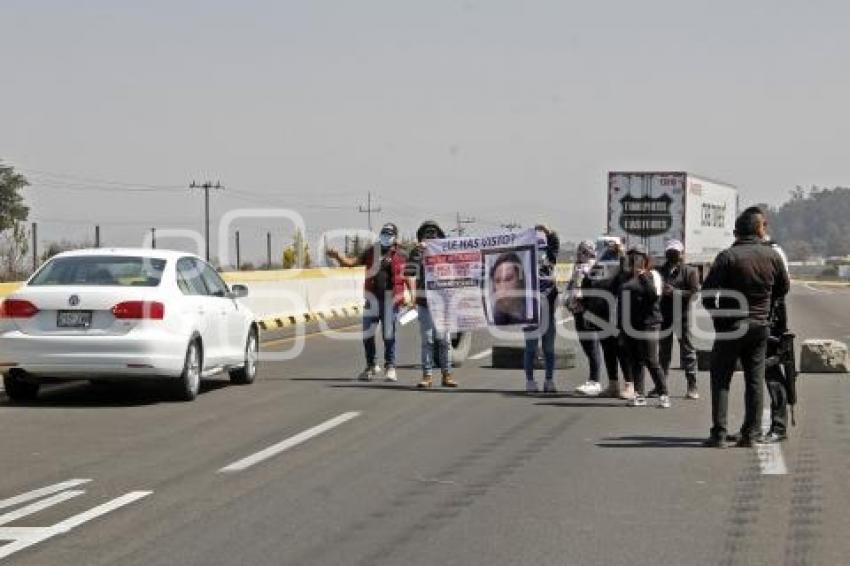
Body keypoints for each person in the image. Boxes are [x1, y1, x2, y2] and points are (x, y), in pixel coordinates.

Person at [701, 207, 790, 448]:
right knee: (755, 379)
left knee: (721, 379)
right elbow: (783, 288)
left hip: (731, 324)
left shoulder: (728, 256)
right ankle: (751, 434)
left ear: (737, 232)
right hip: (760, 326)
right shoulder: (772, 256)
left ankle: (719, 433)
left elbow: (707, 293)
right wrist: (767, 308)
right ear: (759, 229)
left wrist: (718, 319)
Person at [327, 223, 412, 381]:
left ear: (395, 237)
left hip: (390, 300)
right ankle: (371, 365)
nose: (386, 236)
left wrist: (411, 295)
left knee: (388, 335)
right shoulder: (371, 251)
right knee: (367, 334)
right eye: (384, 233)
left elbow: (407, 276)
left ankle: (390, 367)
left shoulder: (401, 254)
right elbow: (351, 263)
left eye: (389, 234)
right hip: (371, 299)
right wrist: (338, 256)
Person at [407, 220, 457, 388]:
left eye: (434, 233)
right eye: (427, 233)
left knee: (444, 341)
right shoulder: (417, 252)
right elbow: (409, 272)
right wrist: (417, 253)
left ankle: (447, 375)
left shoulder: (447, 251)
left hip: (444, 303)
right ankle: (427, 375)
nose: (430, 236)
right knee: (427, 340)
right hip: (424, 302)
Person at [618, 244, 670, 408]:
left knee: (651, 360)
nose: (635, 260)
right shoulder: (625, 277)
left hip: (649, 323)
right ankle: (639, 395)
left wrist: (642, 276)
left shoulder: (652, 275)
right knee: (635, 361)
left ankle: (663, 395)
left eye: (638, 257)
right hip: (630, 324)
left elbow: (654, 296)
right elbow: (620, 301)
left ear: (646, 259)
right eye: (632, 257)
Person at [658, 239, 701, 399]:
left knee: (688, 351)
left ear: (682, 254)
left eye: (675, 253)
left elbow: (694, 292)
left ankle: (692, 385)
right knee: (663, 352)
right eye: (670, 252)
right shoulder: (660, 271)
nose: (672, 255)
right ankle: (661, 386)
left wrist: (675, 292)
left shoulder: (690, 271)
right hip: (664, 315)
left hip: (683, 316)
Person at [524, 225, 560, 393]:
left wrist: (547, 229)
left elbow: (555, 242)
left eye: (542, 245)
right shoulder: (524, 256)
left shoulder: (551, 256)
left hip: (548, 308)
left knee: (549, 348)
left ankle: (549, 380)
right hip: (530, 309)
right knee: (531, 347)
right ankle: (530, 381)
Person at [764, 234, 792, 443]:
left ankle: (779, 426)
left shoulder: (774, 252)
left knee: (771, 369)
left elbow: (783, 286)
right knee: (753, 375)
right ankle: (750, 427)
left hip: (772, 319)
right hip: (755, 317)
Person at [567, 240, 604, 396]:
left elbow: (587, 290)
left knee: (592, 345)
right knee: (587, 346)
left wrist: (578, 300)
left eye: (582, 251)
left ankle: (595, 380)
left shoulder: (591, 267)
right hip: (579, 311)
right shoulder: (579, 266)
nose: (579, 254)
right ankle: (592, 379)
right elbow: (572, 286)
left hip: (586, 311)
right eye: (579, 251)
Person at [488, 252, 529, 325]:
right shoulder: (495, 318)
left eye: (508, 279)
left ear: (520, 280)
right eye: (497, 281)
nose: (503, 287)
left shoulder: (535, 308)